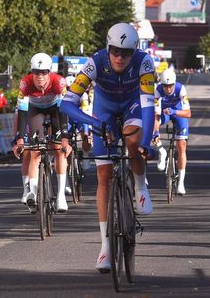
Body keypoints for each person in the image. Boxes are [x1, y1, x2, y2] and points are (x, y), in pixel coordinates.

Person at [60, 22, 156, 273]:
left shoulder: (144, 63)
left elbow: (147, 106)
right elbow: (67, 104)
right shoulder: (95, 62)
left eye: (126, 53)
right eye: (115, 51)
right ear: (107, 47)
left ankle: (140, 185)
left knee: (133, 140)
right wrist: (93, 123)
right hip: (103, 111)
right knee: (103, 175)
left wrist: (146, 143)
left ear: (134, 51)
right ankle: (105, 246)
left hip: (133, 105)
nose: (120, 57)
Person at [12, 53, 71, 213]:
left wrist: (65, 137)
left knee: (59, 150)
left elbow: (64, 111)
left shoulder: (59, 82)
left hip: (55, 110)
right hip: (34, 110)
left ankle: (60, 196)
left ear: (49, 72)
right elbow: (23, 113)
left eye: (44, 72)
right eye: (36, 72)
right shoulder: (25, 83)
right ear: (31, 72)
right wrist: (20, 139)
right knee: (35, 152)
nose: (40, 77)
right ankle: (33, 192)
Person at [152, 69, 191, 195]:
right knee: (151, 127)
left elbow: (188, 113)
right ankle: (161, 152)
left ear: (174, 84)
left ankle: (181, 183)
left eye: (170, 86)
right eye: (165, 87)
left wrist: (174, 111)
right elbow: (156, 115)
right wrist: (156, 133)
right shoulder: (157, 90)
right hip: (164, 113)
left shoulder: (181, 89)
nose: (168, 89)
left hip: (178, 113)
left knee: (181, 146)